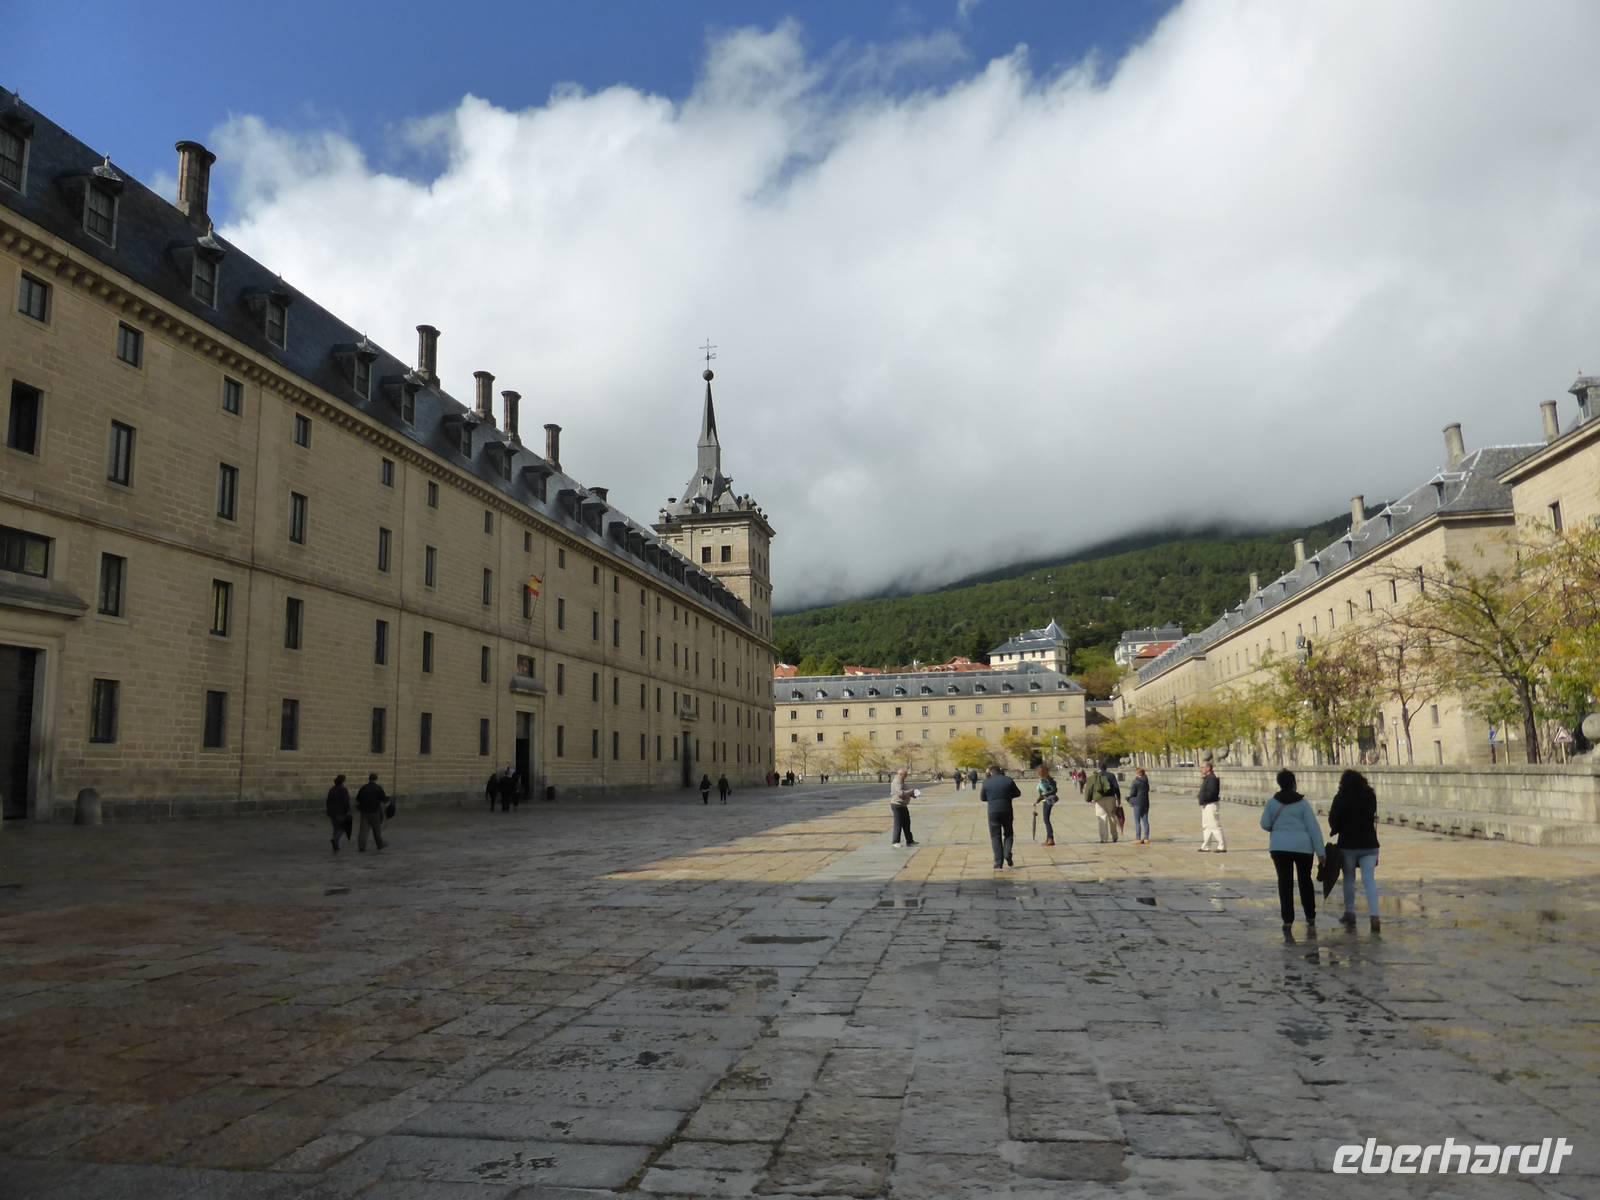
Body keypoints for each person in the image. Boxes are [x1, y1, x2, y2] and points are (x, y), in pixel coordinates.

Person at [1260, 768, 1325, 936]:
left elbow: (1265, 824)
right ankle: (1310, 915)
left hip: (1280, 847)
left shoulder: (1272, 803)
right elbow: (1313, 829)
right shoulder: (1303, 804)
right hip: (1303, 848)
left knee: (1285, 882)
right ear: (1294, 783)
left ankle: (1288, 919)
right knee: (1305, 881)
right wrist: (1321, 852)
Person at [1328, 769, 1381, 934]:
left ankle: (1350, 912)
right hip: (1370, 844)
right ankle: (1374, 916)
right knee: (1369, 880)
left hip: (1348, 845)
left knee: (1349, 879)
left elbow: (1333, 820)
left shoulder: (1341, 798)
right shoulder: (1370, 796)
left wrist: (1336, 828)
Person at [980, 764, 1020, 869]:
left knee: (995, 836)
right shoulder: (1008, 780)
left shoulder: (986, 782)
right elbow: (1017, 793)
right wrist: (1007, 796)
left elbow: (983, 798)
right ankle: (1007, 854)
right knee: (1008, 834)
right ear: (1000, 771)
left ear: (990, 772)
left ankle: (998, 863)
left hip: (993, 811)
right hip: (1007, 809)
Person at [1084, 759, 1121, 843]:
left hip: (1099, 799)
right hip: (1111, 798)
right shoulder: (1111, 775)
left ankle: (1103, 838)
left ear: (1099, 767)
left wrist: (1090, 798)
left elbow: (1090, 788)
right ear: (1106, 767)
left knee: (1101, 817)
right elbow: (1116, 788)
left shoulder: (1095, 776)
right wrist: (1118, 799)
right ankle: (1114, 836)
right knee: (1112, 816)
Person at [1197, 761, 1226, 852]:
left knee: (1214, 825)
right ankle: (1206, 845)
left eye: (1202, 767)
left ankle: (1222, 845)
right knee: (1206, 826)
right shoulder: (1207, 778)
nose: (1201, 769)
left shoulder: (1212, 779)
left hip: (1210, 804)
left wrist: (1204, 799)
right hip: (1206, 804)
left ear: (1208, 768)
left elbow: (1212, 793)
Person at [355, 772, 388, 852]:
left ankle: (361, 846)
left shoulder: (363, 788)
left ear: (369, 779)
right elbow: (384, 799)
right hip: (375, 812)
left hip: (364, 812)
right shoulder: (378, 788)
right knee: (377, 830)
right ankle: (379, 844)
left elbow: (358, 799)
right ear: (376, 779)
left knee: (363, 831)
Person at [889, 767, 917, 847]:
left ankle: (909, 840)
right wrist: (911, 791)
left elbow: (905, 791)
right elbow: (900, 793)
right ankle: (895, 841)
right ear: (900, 774)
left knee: (906, 823)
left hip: (903, 805)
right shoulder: (897, 781)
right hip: (897, 805)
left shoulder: (901, 780)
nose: (906, 776)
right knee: (898, 823)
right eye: (905, 775)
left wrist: (912, 794)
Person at [1034, 765, 1060, 846]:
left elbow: (1054, 790)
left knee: (1046, 820)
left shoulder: (1049, 780)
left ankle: (1051, 839)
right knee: (1046, 820)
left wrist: (1046, 794)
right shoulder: (1042, 780)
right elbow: (1041, 793)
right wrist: (1037, 801)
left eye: (1040, 772)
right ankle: (1048, 838)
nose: (1038, 773)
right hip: (1045, 800)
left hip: (1049, 800)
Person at [326, 774, 351, 853]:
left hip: (332, 812)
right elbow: (346, 801)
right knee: (342, 828)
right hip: (340, 812)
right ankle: (335, 840)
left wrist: (329, 811)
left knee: (336, 828)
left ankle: (336, 845)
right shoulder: (343, 790)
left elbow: (328, 801)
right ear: (343, 781)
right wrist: (347, 810)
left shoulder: (332, 789)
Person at [1127, 768, 1151, 845]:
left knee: (1137, 821)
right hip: (1145, 803)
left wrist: (1128, 798)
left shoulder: (1135, 782)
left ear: (1137, 773)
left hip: (1137, 803)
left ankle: (1138, 838)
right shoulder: (1146, 781)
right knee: (1145, 821)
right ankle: (1146, 838)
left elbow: (1132, 793)